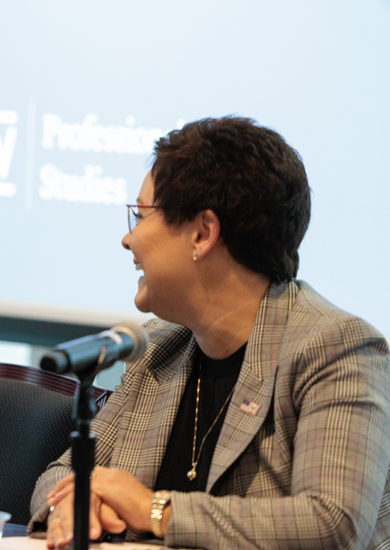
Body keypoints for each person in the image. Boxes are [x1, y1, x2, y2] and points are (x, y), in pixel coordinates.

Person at [32, 117, 390, 549]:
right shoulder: (160, 347)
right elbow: (62, 474)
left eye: (141, 215)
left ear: (202, 233)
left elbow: (332, 523)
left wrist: (153, 509)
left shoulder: (337, 348)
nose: (128, 240)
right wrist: (72, 506)